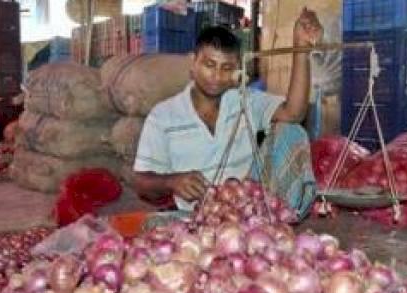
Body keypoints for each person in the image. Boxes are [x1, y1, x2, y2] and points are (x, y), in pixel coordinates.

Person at [133, 8, 323, 218]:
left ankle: (282, 216)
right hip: (194, 216)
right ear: (193, 63)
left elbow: (293, 113)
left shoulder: (244, 101)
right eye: (209, 65)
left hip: (247, 210)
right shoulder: (163, 116)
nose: (216, 76)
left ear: (236, 70)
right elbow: (142, 182)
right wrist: (172, 181)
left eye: (226, 68)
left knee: (292, 131)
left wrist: (301, 49)